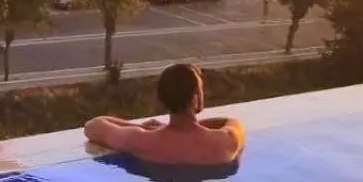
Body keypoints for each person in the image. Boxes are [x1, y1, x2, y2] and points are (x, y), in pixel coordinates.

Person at [83, 62, 245, 166]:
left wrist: (140, 127)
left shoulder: (142, 140)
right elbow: (232, 122)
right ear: (196, 97)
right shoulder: (225, 141)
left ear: (162, 98)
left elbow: (93, 126)